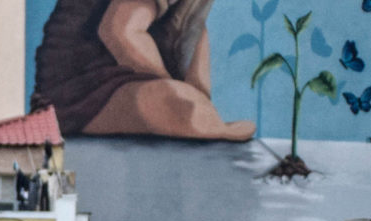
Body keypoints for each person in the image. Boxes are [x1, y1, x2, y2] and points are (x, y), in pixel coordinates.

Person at [31, 0, 253, 142]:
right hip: (76, 88)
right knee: (183, 106)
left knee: (191, 107)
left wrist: (201, 100)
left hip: (124, 77)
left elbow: (193, 32)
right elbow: (120, 32)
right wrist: (179, 96)